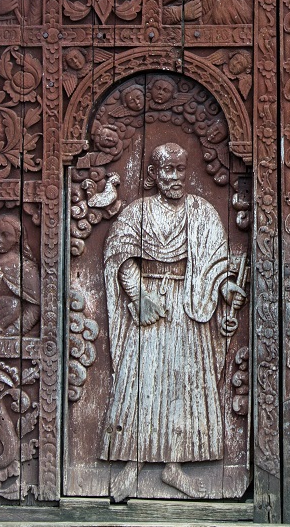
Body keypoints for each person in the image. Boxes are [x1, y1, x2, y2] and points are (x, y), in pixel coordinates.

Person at [100, 142, 245, 501]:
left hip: (187, 305)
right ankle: (131, 464)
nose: (174, 177)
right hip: (149, 306)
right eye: (167, 171)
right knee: (139, 381)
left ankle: (174, 467)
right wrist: (138, 297)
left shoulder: (202, 213)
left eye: (180, 170)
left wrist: (227, 289)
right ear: (153, 175)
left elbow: (216, 264)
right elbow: (119, 253)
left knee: (184, 386)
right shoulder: (137, 212)